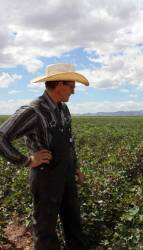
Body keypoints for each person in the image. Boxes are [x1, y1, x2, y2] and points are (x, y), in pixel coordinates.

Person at [0, 63, 89, 250]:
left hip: (66, 175)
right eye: (72, 86)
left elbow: (69, 142)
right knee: (45, 229)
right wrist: (26, 160)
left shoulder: (63, 109)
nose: (73, 92)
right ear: (59, 85)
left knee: (73, 222)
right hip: (45, 178)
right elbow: (1, 137)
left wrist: (76, 167)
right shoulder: (33, 111)